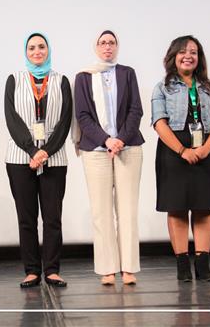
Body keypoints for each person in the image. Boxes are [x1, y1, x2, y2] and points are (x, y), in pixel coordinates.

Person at [73, 30, 144, 286]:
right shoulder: (83, 77)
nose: (107, 47)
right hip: (96, 150)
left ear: (117, 46)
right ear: (96, 47)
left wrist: (120, 139)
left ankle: (128, 268)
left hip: (128, 147)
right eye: (103, 43)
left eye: (112, 43)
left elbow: (136, 110)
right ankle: (107, 268)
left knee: (127, 211)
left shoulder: (127, 73)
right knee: (101, 212)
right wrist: (106, 140)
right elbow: (82, 115)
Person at [151, 35, 210, 282]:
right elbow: (159, 123)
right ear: (173, 56)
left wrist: (206, 148)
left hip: (204, 150)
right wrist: (183, 150)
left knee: (203, 207)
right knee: (177, 208)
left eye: (193, 52)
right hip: (173, 152)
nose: (188, 56)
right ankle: (182, 264)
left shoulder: (208, 87)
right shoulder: (162, 87)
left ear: (199, 58)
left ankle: (203, 264)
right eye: (182, 51)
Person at [4, 32, 72, 288]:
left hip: (54, 158)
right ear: (26, 52)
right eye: (31, 48)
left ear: (48, 50)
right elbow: (12, 119)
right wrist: (33, 150)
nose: (37, 51)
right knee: (27, 218)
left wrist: (46, 152)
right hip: (20, 157)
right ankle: (32, 270)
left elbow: (65, 121)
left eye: (41, 47)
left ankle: (52, 270)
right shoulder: (15, 79)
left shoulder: (61, 81)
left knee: (52, 218)